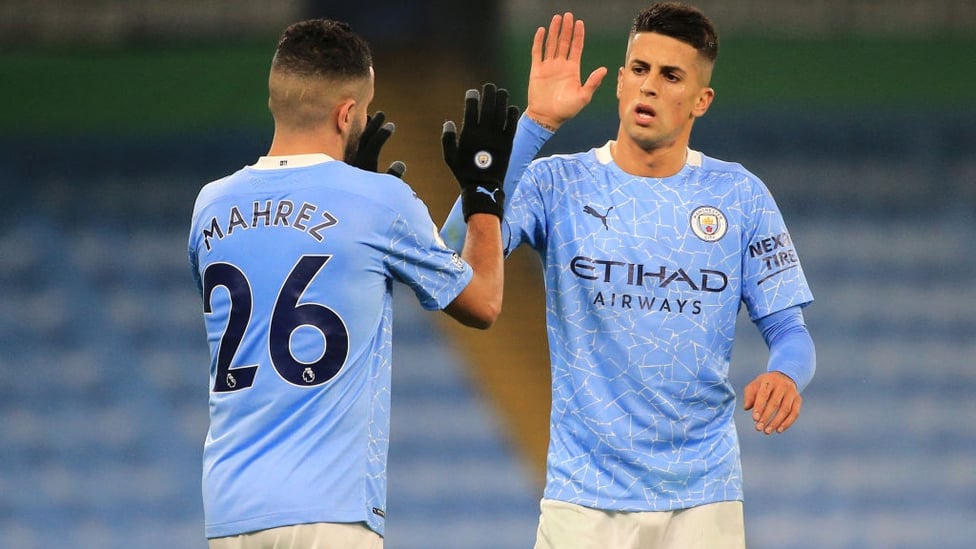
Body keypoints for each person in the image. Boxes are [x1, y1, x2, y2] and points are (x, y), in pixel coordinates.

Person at [441, 4, 816, 548]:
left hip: (702, 497)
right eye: (639, 69)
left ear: (701, 100)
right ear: (619, 81)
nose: (650, 87)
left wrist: (786, 375)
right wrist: (537, 126)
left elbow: (791, 333)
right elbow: (452, 253)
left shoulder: (739, 196)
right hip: (583, 498)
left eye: (671, 76)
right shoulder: (555, 183)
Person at [187, 18, 519, 549]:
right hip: (331, 512)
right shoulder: (379, 203)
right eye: (362, 112)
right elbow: (483, 301)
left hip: (231, 512)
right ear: (347, 114)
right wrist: (482, 194)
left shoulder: (210, 205)